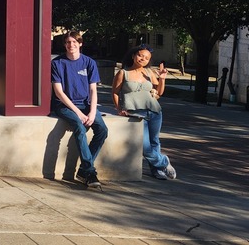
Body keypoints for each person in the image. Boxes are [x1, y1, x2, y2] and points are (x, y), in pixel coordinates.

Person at [51, 31, 108, 188]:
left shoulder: (89, 63)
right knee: (79, 127)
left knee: (102, 129)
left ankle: (83, 169)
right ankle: (89, 172)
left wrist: (92, 112)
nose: (71, 45)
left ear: (80, 43)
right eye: (68, 42)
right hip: (65, 105)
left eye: (74, 42)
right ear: (65, 45)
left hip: (87, 105)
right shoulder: (57, 63)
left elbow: (93, 91)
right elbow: (59, 93)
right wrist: (79, 113)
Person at [112, 46, 178, 180]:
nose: (143, 59)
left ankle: (157, 170)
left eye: (147, 58)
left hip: (154, 111)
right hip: (135, 114)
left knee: (154, 142)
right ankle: (164, 162)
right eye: (141, 55)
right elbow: (115, 92)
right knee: (144, 146)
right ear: (133, 56)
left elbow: (159, 92)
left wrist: (162, 79)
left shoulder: (149, 72)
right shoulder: (123, 73)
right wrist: (119, 108)